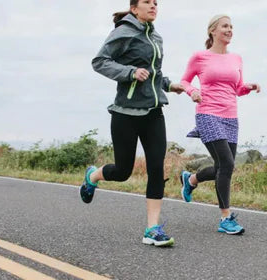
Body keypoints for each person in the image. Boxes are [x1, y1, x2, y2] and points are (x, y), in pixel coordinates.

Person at [80, 0, 184, 247]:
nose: (153, 6)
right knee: (123, 171)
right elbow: (100, 61)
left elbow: (153, 73)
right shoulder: (124, 31)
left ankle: (152, 229)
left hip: (153, 112)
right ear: (134, 8)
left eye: (156, 3)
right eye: (147, 2)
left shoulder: (155, 36)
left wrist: (169, 84)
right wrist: (130, 72)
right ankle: (93, 176)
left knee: (156, 167)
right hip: (125, 113)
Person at [178, 15, 261, 235]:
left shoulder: (236, 59)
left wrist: (249, 86)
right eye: (225, 26)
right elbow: (185, 81)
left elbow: (238, 88)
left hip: (231, 117)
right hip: (207, 114)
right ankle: (225, 218)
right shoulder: (200, 57)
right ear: (212, 31)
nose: (229, 29)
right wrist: (193, 91)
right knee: (227, 163)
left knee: (223, 167)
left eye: (232, 26)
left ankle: (191, 179)